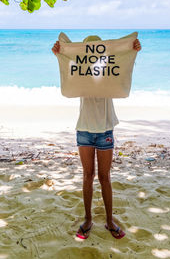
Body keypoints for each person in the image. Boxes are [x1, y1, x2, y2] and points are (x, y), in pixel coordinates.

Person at [52, 34, 141, 239]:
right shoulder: (80, 72)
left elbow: (123, 69)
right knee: (87, 176)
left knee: (105, 177)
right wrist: (60, 54)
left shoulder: (109, 72)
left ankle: (109, 221)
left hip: (105, 130)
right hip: (84, 130)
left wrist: (132, 50)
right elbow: (67, 71)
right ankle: (88, 219)